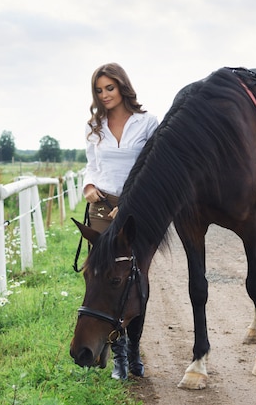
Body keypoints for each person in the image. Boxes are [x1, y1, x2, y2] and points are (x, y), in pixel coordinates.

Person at [82, 62, 158, 380]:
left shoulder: (147, 123)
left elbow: (155, 167)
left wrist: (128, 203)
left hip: (136, 211)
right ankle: (119, 356)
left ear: (123, 87)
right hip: (101, 208)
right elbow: (91, 165)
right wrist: (88, 185)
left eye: (109, 88)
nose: (104, 95)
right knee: (104, 280)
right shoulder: (94, 126)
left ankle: (136, 349)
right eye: (99, 90)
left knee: (134, 279)